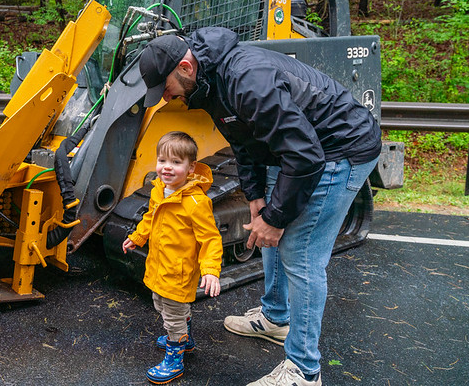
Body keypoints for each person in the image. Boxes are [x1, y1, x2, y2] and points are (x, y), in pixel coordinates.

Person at [138, 27, 382, 386]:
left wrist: (277, 218)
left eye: (167, 87)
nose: (166, 97)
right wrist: (256, 200)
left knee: (300, 254)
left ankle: (304, 370)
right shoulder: (210, 84)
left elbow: (305, 156)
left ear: (186, 67)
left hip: (338, 150)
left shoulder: (246, 79)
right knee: (264, 230)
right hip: (297, 152)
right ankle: (275, 318)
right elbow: (243, 141)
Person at [122, 131, 223, 384]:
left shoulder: (196, 202)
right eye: (162, 161)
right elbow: (150, 217)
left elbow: (210, 239)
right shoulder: (160, 190)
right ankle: (184, 338)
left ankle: (175, 357)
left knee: (172, 317)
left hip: (178, 273)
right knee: (160, 303)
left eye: (176, 163)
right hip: (159, 265)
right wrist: (138, 237)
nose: (167, 168)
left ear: (191, 169)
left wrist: (210, 269)